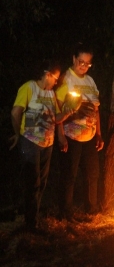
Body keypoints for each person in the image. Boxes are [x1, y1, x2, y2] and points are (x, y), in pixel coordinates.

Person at [9, 60, 72, 231]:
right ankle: (30, 223)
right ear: (47, 74)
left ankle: (33, 218)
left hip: (47, 143)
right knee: (32, 181)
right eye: (56, 78)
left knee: (41, 182)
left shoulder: (51, 94)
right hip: (30, 141)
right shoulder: (29, 87)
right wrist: (18, 134)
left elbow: (56, 118)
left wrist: (69, 111)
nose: (57, 82)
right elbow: (16, 112)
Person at [56, 42, 104, 222]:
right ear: (74, 59)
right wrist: (61, 136)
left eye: (87, 63)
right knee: (69, 175)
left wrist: (99, 133)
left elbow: (96, 109)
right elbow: (57, 109)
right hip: (71, 134)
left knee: (93, 174)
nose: (83, 66)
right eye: (80, 62)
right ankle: (65, 212)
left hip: (90, 135)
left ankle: (91, 209)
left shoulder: (90, 81)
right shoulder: (65, 79)